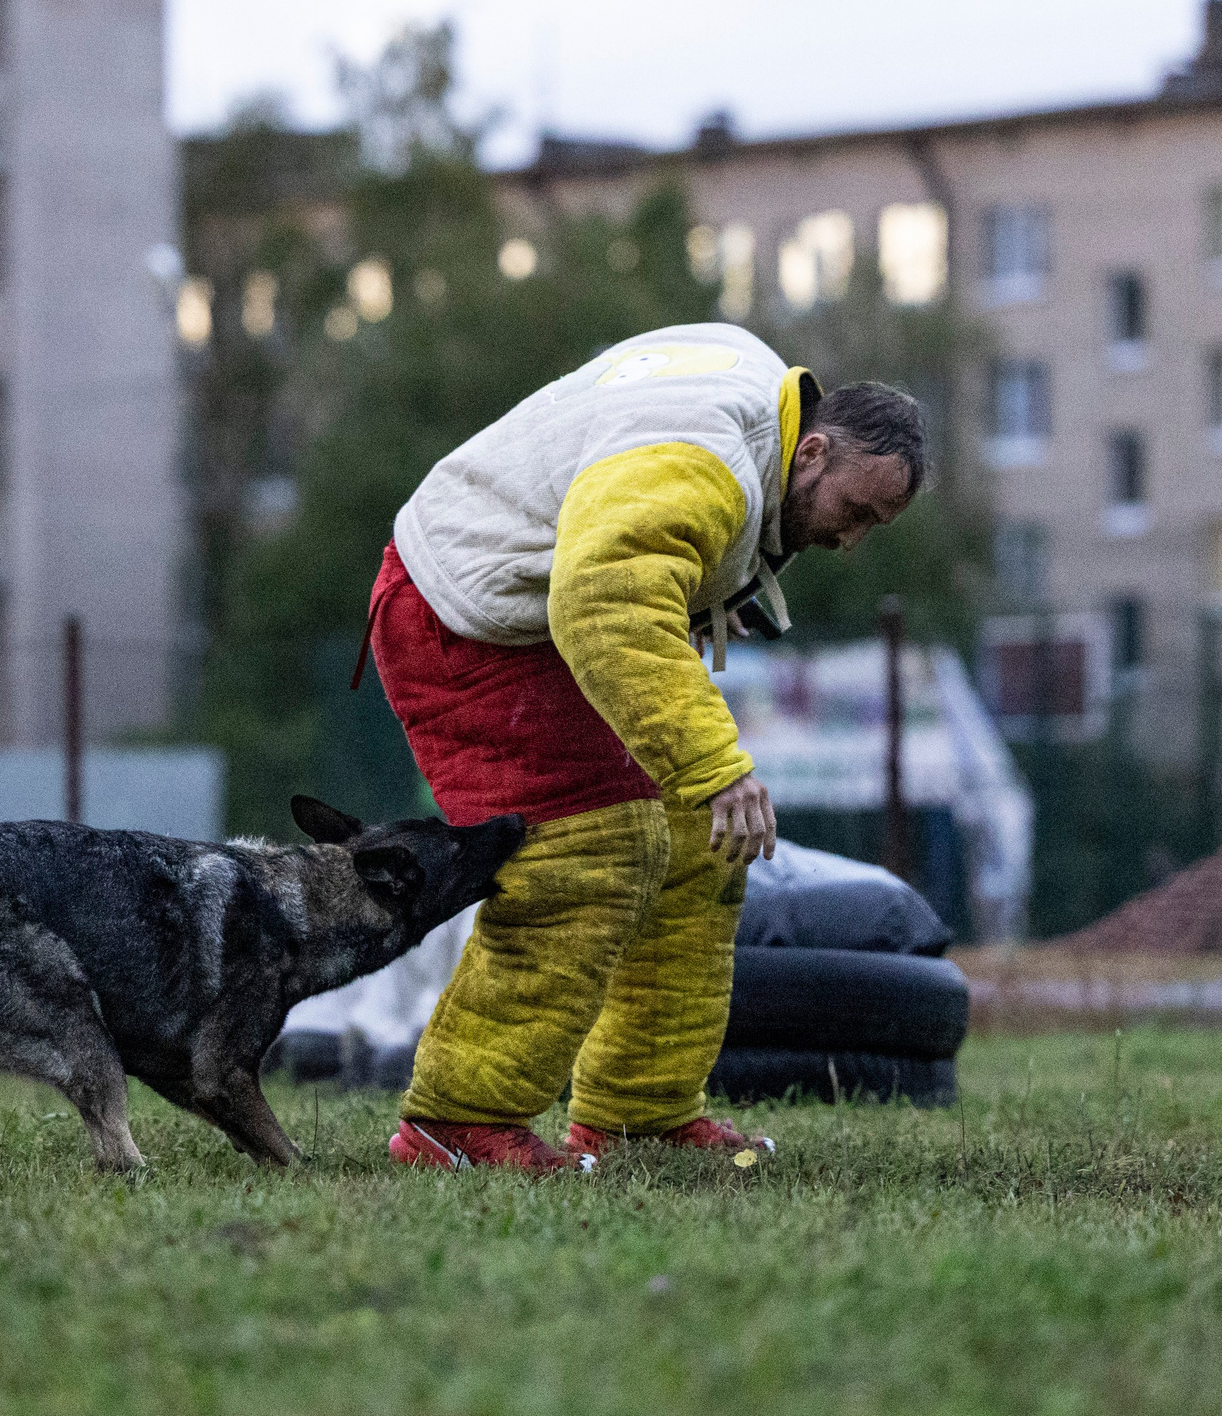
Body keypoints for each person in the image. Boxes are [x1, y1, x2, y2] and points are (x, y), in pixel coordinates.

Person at [363, 320, 926, 1170]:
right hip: (459, 609)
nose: (849, 541)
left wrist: (706, 578)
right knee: (589, 850)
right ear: (810, 452)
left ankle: (641, 1111)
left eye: (871, 527)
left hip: (535, 603)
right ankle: (458, 1118)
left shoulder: (751, 383)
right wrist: (716, 765)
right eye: (854, 512)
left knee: (703, 839)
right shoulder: (713, 468)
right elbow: (604, 596)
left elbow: (617, 444)